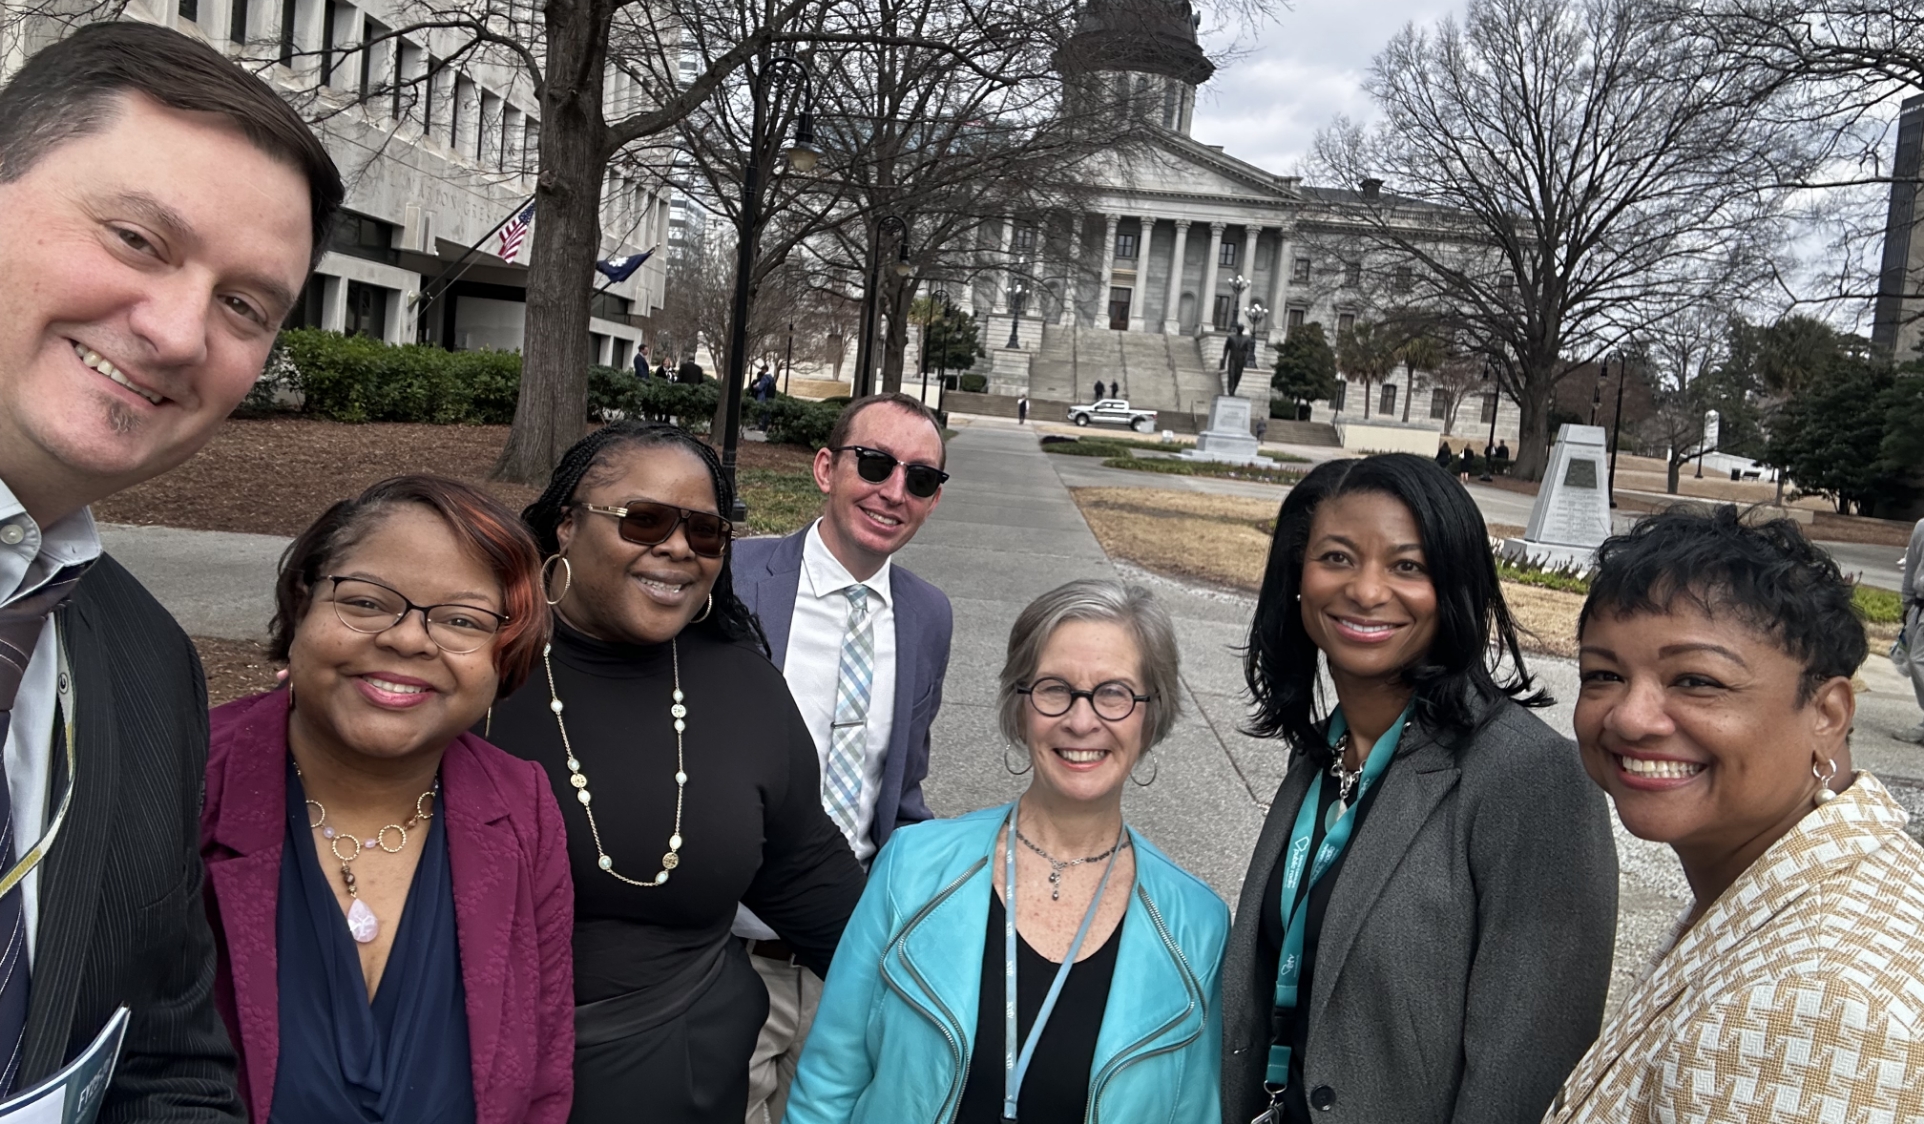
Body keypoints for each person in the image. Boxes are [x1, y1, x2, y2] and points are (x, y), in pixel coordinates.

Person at [0, 22, 340, 1116]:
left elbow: (163, 1053)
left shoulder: (147, 666)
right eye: (139, 239)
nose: (183, 330)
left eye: (246, 305)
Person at [484, 421, 865, 1124]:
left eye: (707, 532)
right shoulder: (474, 664)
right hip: (472, 1081)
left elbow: (812, 881)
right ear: (566, 524)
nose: (679, 548)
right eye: (645, 520)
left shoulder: (744, 686)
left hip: (687, 1083)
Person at [1225, 454, 1617, 1124]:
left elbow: (1521, 1077)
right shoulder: (1323, 756)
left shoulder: (1532, 779)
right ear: (1297, 578)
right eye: (1337, 557)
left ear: (1455, 587)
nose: (1367, 591)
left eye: (1408, 566)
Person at [784, 580, 1229, 1124]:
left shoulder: (1197, 927)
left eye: (1114, 692)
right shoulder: (912, 869)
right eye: (1054, 688)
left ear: (1150, 715)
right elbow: (828, 1085)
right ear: (1020, 707)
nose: (1081, 720)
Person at [202, 476, 574, 1123]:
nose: (408, 640)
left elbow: (542, 1079)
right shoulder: (182, 780)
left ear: (504, 652)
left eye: (462, 620)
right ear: (302, 601)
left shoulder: (522, 809)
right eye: (369, 603)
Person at [1548, 508, 1924, 1121]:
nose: (1630, 717)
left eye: (1696, 680)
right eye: (1604, 675)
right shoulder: (1800, 885)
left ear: (1827, 716)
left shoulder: (1817, 1007)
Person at [729, 393, 955, 1123]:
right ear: (826, 468)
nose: (894, 491)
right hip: (728, 956)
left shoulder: (928, 615)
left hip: (845, 966)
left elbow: (903, 791)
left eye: (919, 479)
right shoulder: (732, 580)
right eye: (875, 464)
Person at [1898, 515, 1924, 743]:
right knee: (1914, 661)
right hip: (1920, 604)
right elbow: (1912, 566)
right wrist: (1906, 603)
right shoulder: (1922, 527)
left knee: (1918, 661)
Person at [1220, 323, 1256, 396]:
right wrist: (1224, 358)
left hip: (1241, 360)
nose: (1240, 329)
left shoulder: (1247, 339)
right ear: (1237, 329)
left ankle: (1233, 390)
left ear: (1242, 330)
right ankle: (1230, 390)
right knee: (1231, 374)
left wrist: (1246, 359)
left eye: (1241, 328)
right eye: (1239, 328)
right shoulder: (1231, 337)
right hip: (1232, 358)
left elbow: (1249, 350)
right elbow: (1226, 348)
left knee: (1237, 375)